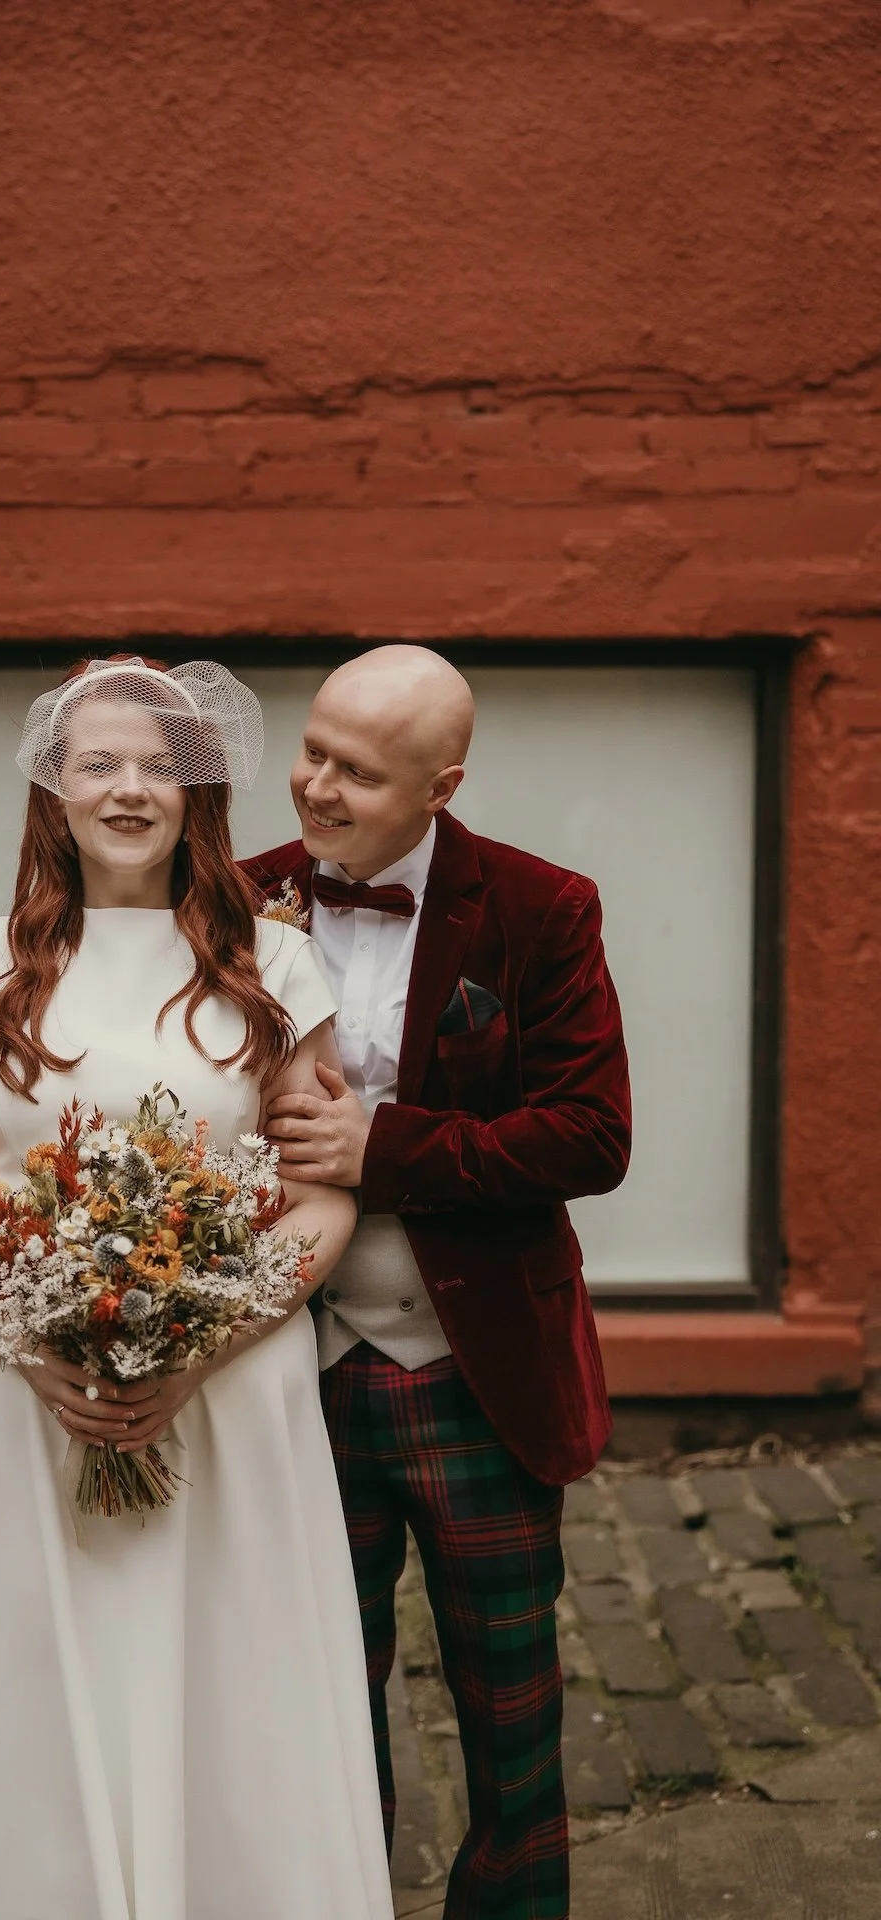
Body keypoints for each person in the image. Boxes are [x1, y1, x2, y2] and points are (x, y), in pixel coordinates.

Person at [0, 655, 392, 1920]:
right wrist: (25, 1333)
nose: (128, 789)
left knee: (234, 1672)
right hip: (25, 1391)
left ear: (197, 794)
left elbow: (321, 1191)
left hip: (224, 1390)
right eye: (98, 763)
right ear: (53, 789)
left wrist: (200, 1343)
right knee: (38, 1676)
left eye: (159, 767)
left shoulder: (272, 967)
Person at [245, 645, 632, 1920]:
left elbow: (589, 1133)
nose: (314, 786)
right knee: (311, 1702)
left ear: (439, 784)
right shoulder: (232, 902)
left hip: (479, 1378)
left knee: (509, 1707)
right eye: (311, 749)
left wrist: (386, 1148)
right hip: (283, 1375)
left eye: (356, 772)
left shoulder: (539, 907)